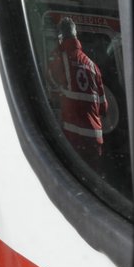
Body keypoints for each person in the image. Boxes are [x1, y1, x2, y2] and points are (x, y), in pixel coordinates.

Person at [45, 18, 109, 164]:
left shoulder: (60, 60)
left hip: (74, 139)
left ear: (60, 38)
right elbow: (104, 108)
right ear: (76, 36)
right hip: (95, 140)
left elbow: (50, 84)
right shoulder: (92, 66)